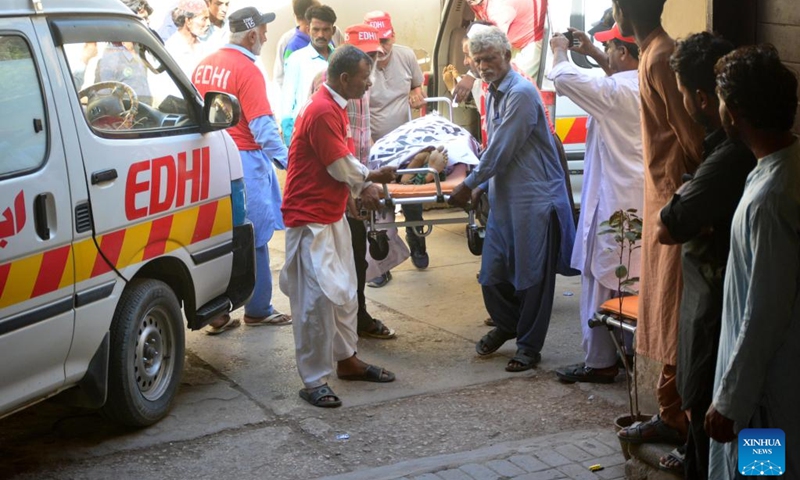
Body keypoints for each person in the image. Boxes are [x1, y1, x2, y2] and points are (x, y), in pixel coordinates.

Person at [448, 26, 576, 372]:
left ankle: (529, 346)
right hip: (505, 198)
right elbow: (493, 147)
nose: (484, 65)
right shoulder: (492, 92)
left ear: (506, 55)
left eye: (490, 58)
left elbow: (502, 149)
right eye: (478, 60)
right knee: (492, 273)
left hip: (536, 199)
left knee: (533, 278)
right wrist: (479, 187)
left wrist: (470, 183)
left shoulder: (520, 92)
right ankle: (507, 324)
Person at [657, 32, 754, 477]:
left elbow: (668, 224)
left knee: (728, 446)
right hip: (732, 343)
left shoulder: (734, 165)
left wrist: (688, 204)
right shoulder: (759, 165)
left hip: (724, 339)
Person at [279, 45, 398, 408]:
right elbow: (341, 166)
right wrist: (371, 179)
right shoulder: (320, 110)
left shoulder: (336, 106)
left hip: (330, 216)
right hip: (309, 220)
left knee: (345, 293)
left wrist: (356, 194)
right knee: (315, 303)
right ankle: (314, 380)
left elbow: (340, 167)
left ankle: (347, 361)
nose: (369, 83)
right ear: (345, 78)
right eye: (365, 77)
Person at [612, 0, 705, 446]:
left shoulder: (662, 57)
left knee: (674, 309)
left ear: (622, 12)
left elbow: (689, 135)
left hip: (676, 202)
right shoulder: (652, 53)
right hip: (662, 198)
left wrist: (706, 187)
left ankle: (678, 417)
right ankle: (671, 413)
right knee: (666, 307)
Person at [705, 44, 800, 480]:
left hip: (765, 390)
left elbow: (763, 310)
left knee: (760, 471)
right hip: (771, 378)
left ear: (736, 112)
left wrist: (731, 400)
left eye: (721, 99)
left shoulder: (771, 199)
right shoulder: (781, 168)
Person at [547, 23, 643, 385]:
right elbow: (616, 76)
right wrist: (590, 50)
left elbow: (565, 78)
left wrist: (560, 49)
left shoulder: (616, 90)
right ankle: (633, 355)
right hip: (639, 197)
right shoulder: (650, 81)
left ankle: (600, 362)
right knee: (635, 281)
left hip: (615, 202)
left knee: (604, 279)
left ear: (623, 52)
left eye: (611, 49)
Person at [191, 6, 292, 334]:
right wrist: (292, 162)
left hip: (210, 159)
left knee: (217, 235)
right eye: (262, 31)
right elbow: (263, 129)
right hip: (244, 161)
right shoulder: (247, 69)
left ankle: (216, 313)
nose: (265, 36)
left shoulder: (206, 65)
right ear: (251, 35)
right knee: (256, 236)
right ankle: (259, 308)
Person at [364, 10, 428, 286]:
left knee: (412, 196)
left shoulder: (405, 56)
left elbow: (417, 87)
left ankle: (416, 237)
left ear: (394, 36)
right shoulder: (362, 61)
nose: (381, 47)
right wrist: (369, 143)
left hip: (404, 142)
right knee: (379, 205)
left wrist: (416, 96)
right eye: (376, 41)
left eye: (386, 41)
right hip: (373, 145)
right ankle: (381, 263)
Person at [280, 4, 337, 146]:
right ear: (308, 29)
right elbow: (287, 104)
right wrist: (290, 141)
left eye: (325, 30)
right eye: (316, 29)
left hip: (335, 134)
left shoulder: (340, 59)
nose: (320, 35)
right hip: (305, 137)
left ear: (333, 30)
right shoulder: (296, 59)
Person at [465, 0, 547, 79]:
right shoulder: (475, 2)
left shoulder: (498, 9)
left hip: (536, 39)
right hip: (513, 40)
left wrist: (471, 76)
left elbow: (492, 47)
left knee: (509, 80)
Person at [164, 0, 210, 77]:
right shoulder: (172, 49)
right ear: (188, 21)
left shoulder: (204, 47)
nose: (208, 24)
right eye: (204, 19)